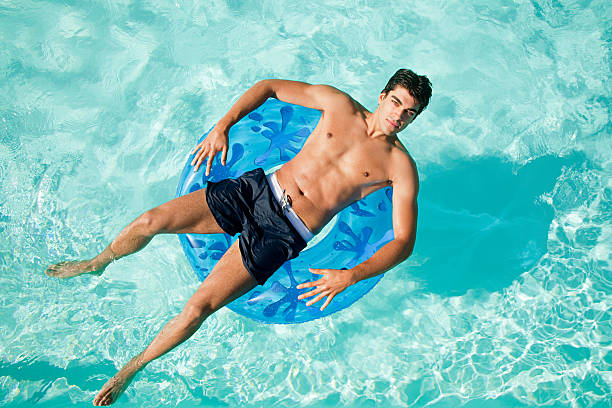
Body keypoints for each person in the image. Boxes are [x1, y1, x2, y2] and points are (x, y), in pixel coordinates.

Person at [45, 69, 432, 406]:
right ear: (382, 97)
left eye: (409, 112)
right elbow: (269, 88)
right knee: (150, 220)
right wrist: (222, 126)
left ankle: (131, 368)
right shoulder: (339, 105)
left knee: (198, 308)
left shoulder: (400, 167)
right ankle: (98, 262)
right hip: (256, 191)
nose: (399, 115)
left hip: (284, 234)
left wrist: (351, 275)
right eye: (396, 102)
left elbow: (403, 242)